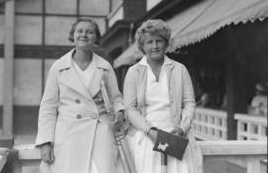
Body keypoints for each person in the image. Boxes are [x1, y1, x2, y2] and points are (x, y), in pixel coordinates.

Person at [35, 17, 125, 173]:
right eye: (80, 31)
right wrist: (45, 142)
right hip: (69, 135)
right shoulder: (59, 67)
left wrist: (120, 114)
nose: (84, 35)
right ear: (73, 35)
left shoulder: (105, 67)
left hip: (101, 134)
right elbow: (48, 106)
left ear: (96, 38)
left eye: (89, 32)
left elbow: (116, 99)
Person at [123, 19, 202, 173]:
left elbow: (189, 103)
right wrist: (151, 132)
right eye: (149, 42)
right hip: (148, 138)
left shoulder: (179, 69)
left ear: (166, 43)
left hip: (177, 138)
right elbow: (130, 109)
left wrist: (182, 128)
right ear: (142, 46)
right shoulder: (134, 72)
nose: (155, 46)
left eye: (159, 41)